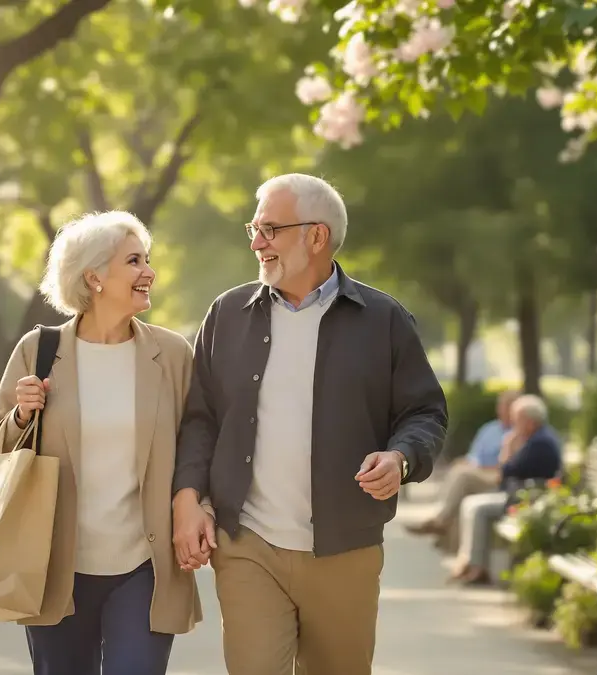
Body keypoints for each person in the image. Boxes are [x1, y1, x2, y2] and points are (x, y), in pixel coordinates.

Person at [171, 173, 448, 675]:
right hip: (248, 543)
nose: (257, 243)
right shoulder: (227, 315)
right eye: (254, 229)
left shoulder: (384, 320)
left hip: (346, 548)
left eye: (270, 230)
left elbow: (424, 412)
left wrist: (401, 457)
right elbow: (200, 419)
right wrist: (188, 497)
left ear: (316, 236)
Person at [0, 210, 201, 675]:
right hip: (56, 566)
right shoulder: (38, 351)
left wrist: (197, 506)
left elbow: (197, 441)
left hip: (144, 566)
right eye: (134, 261)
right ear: (94, 277)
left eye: (146, 260)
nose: (149, 273)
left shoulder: (173, 355)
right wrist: (22, 414)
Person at [452, 393, 562, 586]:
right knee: (472, 504)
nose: (513, 423)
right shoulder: (537, 439)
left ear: (530, 421)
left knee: (478, 509)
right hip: (522, 494)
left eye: (517, 419)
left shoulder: (539, 443)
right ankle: (473, 564)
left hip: (528, 498)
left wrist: (508, 446)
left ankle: (477, 567)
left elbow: (506, 471)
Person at [405, 389, 518, 545]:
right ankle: (445, 533)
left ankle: (440, 521)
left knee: (462, 476)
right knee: (459, 470)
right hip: (478, 471)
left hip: (496, 476)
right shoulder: (490, 429)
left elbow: (509, 465)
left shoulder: (517, 434)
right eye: (501, 406)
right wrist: (467, 462)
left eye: (506, 407)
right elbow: (474, 455)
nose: (502, 410)